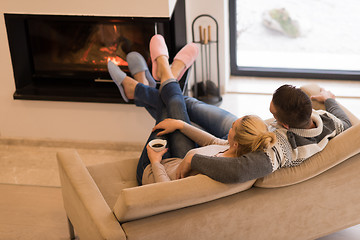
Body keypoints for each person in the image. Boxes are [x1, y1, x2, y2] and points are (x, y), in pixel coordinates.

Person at [107, 34, 276, 185]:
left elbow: (166, 191)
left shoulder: (212, 170)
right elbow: (214, 142)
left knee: (169, 107)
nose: (230, 128)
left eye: (232, 128)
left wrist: (156, 161)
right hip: (179, 160)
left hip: (154, 170)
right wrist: (181, 126)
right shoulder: (234, 151)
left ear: (237, 143)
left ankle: (158, 75)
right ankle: (158, 77)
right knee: (175, 111)